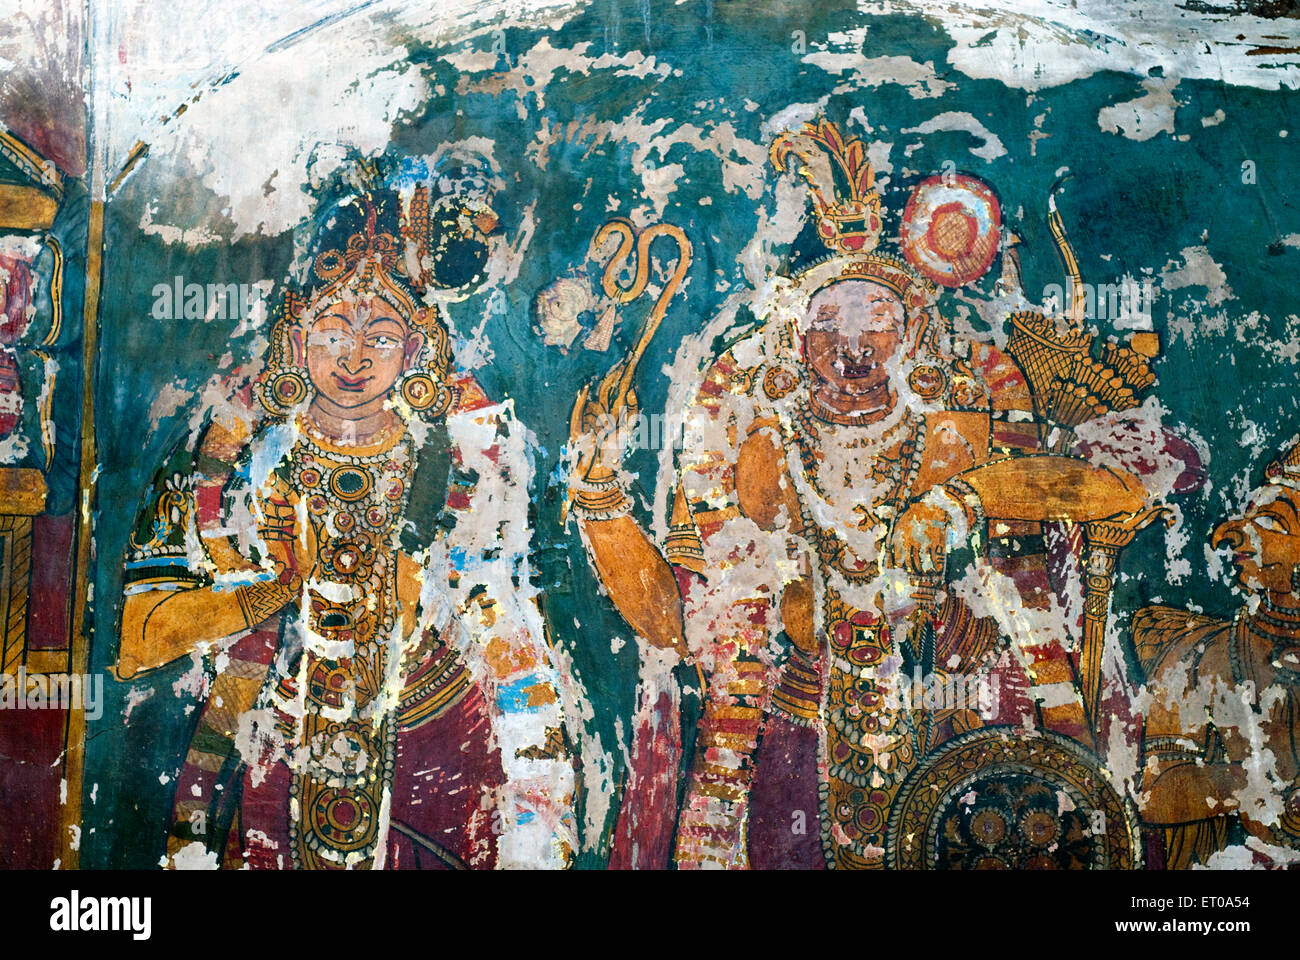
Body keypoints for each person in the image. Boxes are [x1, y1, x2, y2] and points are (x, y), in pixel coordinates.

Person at [567, 118, 1146, 869]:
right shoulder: (752, 439)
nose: (854, 342)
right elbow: (680, 627)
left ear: (912, 337)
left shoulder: (961, 419)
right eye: (829, 321)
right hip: (784, 744)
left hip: (955, 735)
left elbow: (1106, 496)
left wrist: (955, 505)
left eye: (877, 319)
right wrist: (599, 493)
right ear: (794, 342)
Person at [114, 184, 575, 869]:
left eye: (381, 335)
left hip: (437, 736)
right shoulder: (231, 459)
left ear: (416, 347)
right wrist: (270, 593)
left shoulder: (470, 461)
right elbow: (137, 640)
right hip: (274, 738)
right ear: (299, 335)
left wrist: (539, 801)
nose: (354, 358)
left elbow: (508, 633)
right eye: (334, 330)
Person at [1135, 437, 1300, 867]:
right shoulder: (1199, 654)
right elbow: (1157, 792)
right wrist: (1252, 783)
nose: (1230, 534)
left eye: (1273, 522)